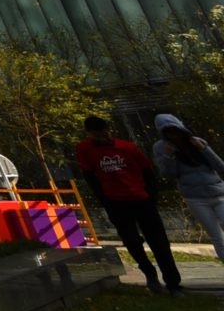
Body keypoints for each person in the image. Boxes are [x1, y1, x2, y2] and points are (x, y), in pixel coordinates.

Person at [75, 116, 181, 292]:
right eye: (97, 135)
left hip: (141, 199)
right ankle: (149, 272)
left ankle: (173, 282)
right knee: (132, 241)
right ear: (89, 134)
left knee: (159, 241)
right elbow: (90, 176)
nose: (102, 137)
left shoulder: (126, 147)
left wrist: (150, 196)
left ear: (108, 130)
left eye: (104, 133)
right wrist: (105, 200)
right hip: (116, 203)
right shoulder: (85, 149)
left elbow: (147, 171)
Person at [153, 113, 224, 258]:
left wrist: (203, 148)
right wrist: (169, 156)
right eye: (169, 133)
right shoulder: (161, 147)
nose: (174, 136)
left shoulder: (196, 141)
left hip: (219, 193)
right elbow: (168, 173)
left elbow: (220, 166)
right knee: (217, 236)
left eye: (176, 131)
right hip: (195, 198)